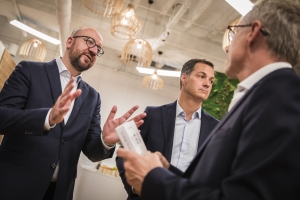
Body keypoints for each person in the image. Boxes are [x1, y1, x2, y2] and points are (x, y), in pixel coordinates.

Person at [117, 0, 300, 199]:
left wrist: (154, 180)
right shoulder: (264, 95)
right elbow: (217, 185)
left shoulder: (283, 100)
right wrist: (166, 170)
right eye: (202, 77)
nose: (227, 48)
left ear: (253, 33)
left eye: (233, 32)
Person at [0, 27, 146, 200]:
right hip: (15, 184)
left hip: (59, 192)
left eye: (98, 49)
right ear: (70, 41)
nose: (93, 50)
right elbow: (3, 116)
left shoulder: (92, 97)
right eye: (89, 42)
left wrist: (105, 141)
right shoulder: (30, 71)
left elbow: (92, 151)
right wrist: (47, 118)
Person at [116, 58, 219, 199]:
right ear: (184, 78)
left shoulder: (216, 128)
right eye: (201, 76)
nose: (207, 84)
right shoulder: (153, 115)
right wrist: (134, 187)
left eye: (211, 81)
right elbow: (125, 154)